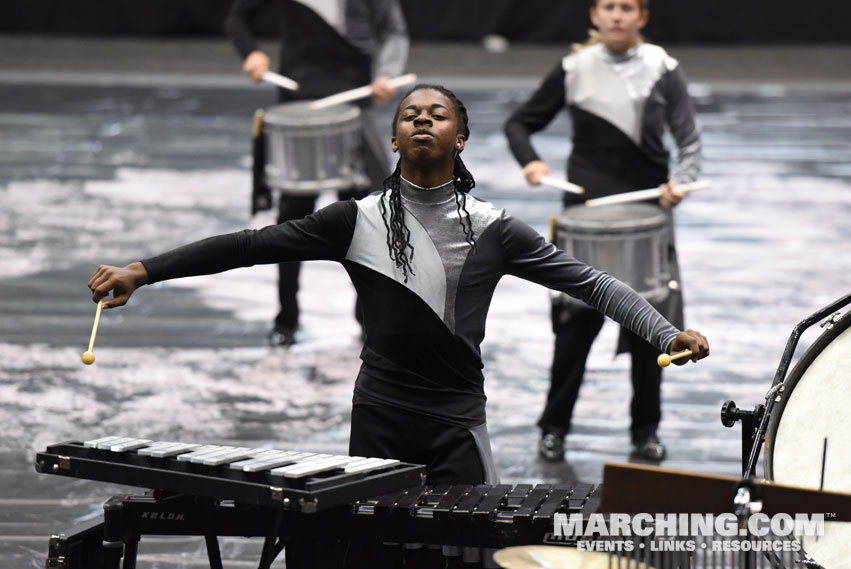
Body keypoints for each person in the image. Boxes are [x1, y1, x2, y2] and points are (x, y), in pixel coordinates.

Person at [88, 84, 708, 488]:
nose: (421, 120)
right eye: (410, 114)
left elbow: (594, 284)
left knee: (468, 548)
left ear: (458, 138)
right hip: (379, 414)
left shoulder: (496, 230)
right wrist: (144, 271)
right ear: (393, 138)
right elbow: (249, 246)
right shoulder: (353, 219)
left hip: (456, 418)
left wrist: (663, 329)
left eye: (437, 115)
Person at [504, 0, 703, 462]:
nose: (617, 16)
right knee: (574, 327)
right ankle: (553, 428)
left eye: (627, 8)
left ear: (642, 18)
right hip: (584, 216)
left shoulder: (663, 68)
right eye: (608, 7)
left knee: (650, 328)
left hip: (646, 216)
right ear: (594, 15)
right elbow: (520, 123)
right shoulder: (574, 66)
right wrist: (530, 161)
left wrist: (682, 183)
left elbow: (689, 142)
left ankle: (645, 432)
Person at [224, 0, 410, 346]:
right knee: (291, 224)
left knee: (368, 223)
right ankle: (286, 318)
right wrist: (250, 52)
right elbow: (239, 16)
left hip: (355, 104)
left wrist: (388, 71)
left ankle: (368, 319)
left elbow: (394, 30)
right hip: (300, 104)